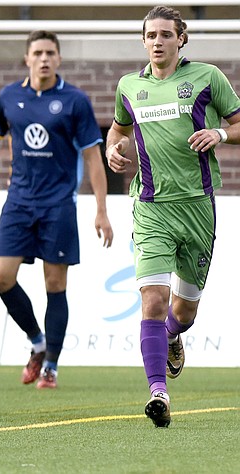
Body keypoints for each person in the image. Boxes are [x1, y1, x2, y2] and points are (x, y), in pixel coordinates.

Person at [0, 30, 113, 390]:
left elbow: (92, 156)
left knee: (55, 283)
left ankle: (51, 364)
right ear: (27, 58)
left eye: (50, 52)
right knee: (1, 275)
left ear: (59, 59)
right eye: (37, 52)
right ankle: (37, 342)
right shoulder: (9, 97)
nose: (44, 58)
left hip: (58, 205)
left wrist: (101, 209)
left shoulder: (74, 101)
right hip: (19, 201)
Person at [106, 6, 240, 428]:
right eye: (151, 35)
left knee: (183, 313)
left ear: (181, 40)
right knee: (152, 300)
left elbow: (238, 124)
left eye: (166, 34)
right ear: (143, 41)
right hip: (150, 207)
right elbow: (118, 129)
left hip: (198, 206)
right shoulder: (129, 86)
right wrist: (113, 148)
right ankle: (158, 393)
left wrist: (219, 133)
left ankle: (174, 336)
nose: (158, 41)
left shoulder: (207, 77)